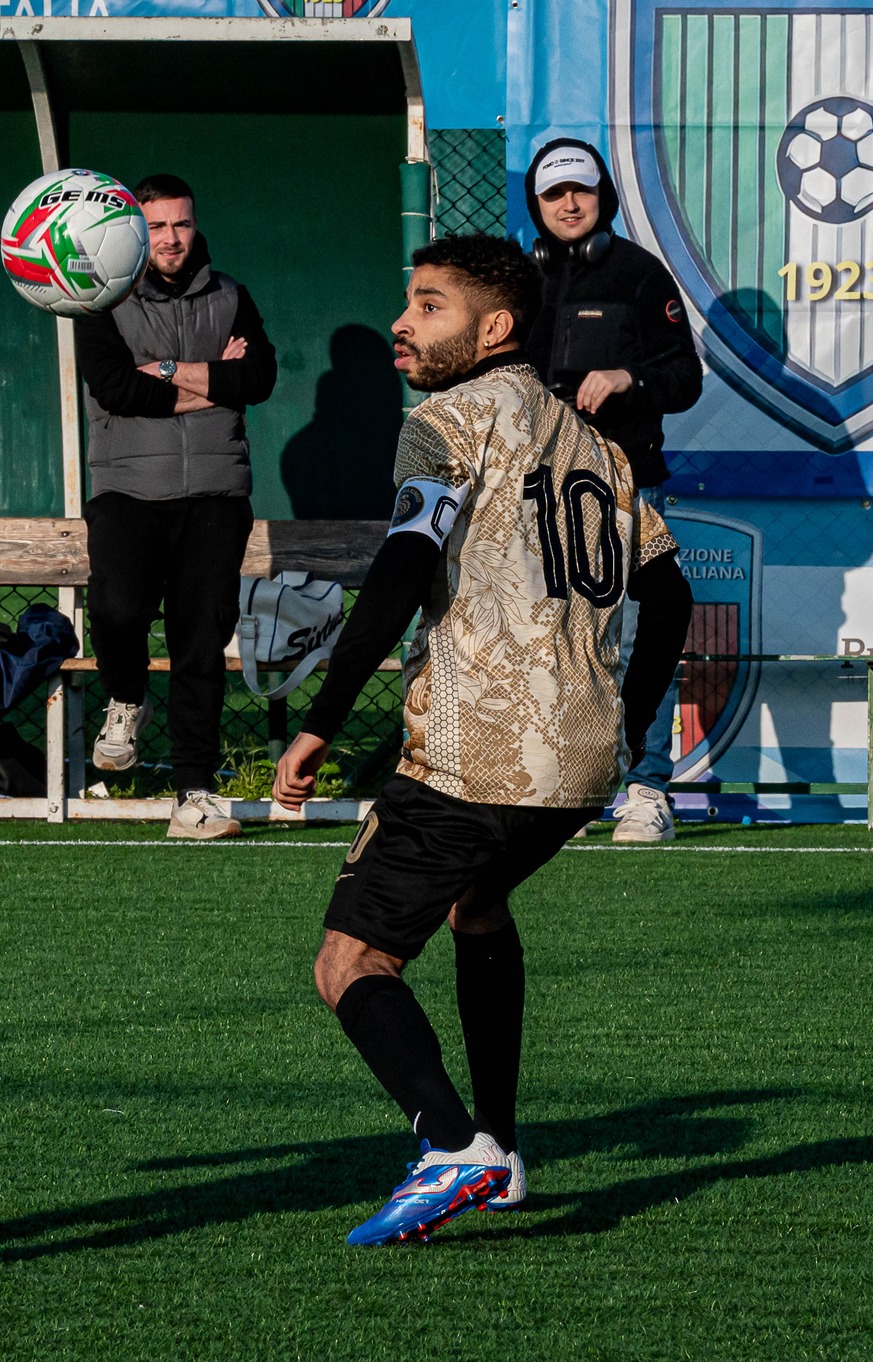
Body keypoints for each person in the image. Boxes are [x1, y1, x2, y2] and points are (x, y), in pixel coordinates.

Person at [274, 235, 692, 1244]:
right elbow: (672, 597)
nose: (403, 322)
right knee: (478, 905)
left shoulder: (444, 421)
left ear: (495, 328)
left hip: (478, 753)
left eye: (429, 305)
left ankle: (454, 1146)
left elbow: (403, 565)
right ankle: (500, 1152)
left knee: (350, 964)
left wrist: (322, 720)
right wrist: (630, 721)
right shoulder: (599, 446)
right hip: (581, 764)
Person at [74, 173, 277, 840]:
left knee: (200, 643)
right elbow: (116, 390)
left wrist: (161, 370)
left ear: (195, 226)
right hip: (127, 490)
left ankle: (194, 795)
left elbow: (260, 378)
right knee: (117, 610)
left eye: (181, 224)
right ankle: (127, 698)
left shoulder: (230, 294)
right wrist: (215, 379)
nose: (170, 238)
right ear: (136, 229)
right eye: (157, 225)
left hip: (216, 494)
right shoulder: (101, 298)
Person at [522, 138, 704, 844]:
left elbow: (684, 378)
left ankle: (646, 788)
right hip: (537, 494)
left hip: (627, 487)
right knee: (556, 646)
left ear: (605, 197)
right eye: (554, 194)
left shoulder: (640, 274)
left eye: (582, 191)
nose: (569, 204)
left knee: (646, 627)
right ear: (536, 205)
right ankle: (571, 786)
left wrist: (630, 378)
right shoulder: (517, 280)